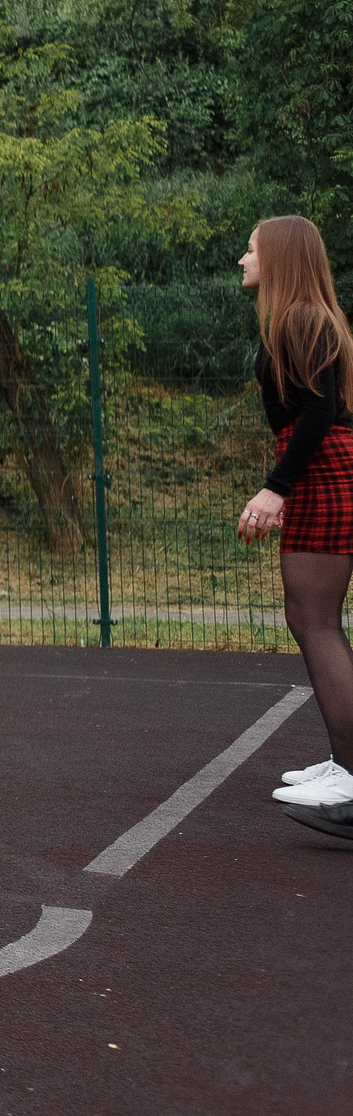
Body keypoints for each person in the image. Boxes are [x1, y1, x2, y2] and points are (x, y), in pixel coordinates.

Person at [233, 219, 353, 832]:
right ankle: (345, 762)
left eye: (251, 249)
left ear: (278, 257)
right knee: (309, 618)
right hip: (322, 469)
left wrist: (275, 488)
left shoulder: (302, 318)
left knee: (314, 619)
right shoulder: (303, 319)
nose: (242, 259)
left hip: (326, 471)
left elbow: (321, 411)